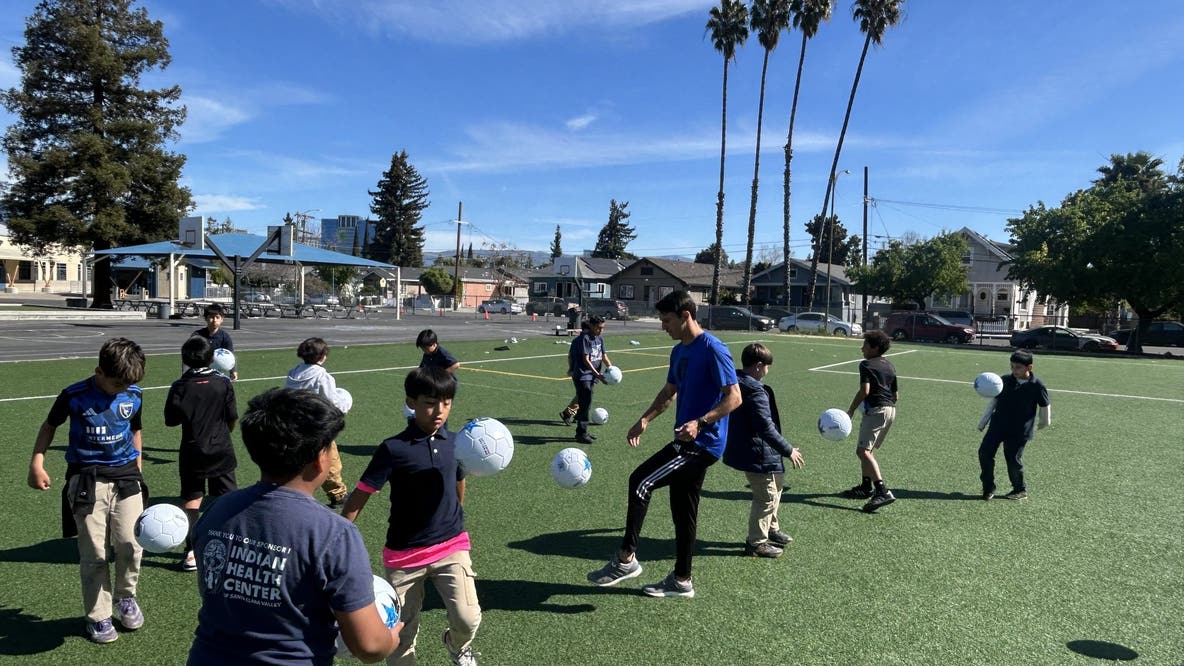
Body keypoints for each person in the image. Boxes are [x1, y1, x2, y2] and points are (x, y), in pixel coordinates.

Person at [188, 388, 400, 665]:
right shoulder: (333, 533)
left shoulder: (218, 510)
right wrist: (391, 637)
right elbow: (370, 646)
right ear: (320, 459)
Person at [587, 290, 740, 598]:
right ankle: (682, 580)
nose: (662, 326)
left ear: (686, 316)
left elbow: (734, 397)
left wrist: (701, 422)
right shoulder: (679, 352)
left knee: (640, 481)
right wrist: (645, 419)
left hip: (702, 444)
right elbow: (670, 392)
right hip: (685, 438)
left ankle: (625, 559)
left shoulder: (713, 349)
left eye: (666, 320)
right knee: (684, 513)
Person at [342, 367, 482, 666]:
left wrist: (456, 514)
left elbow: (459, 480)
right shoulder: (394, 449)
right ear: (411, 402)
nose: (439, 411)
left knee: (468, 618)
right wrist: (340, 531)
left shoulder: (456, 443)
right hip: (404, 557)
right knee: (400, 638)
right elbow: (362, 492)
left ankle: (456, 645)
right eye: (431, 402)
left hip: (451, 546)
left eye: (446, 402)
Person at [27, 337, 148, 644]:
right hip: (87, 479)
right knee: (94, 553)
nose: (122, 389)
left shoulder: (133, 393)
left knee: (131, 544)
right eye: (116, 383)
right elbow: (49, 426)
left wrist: (138, 461)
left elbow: (135, 428)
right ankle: (99, 615)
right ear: (99, 372)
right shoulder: (73, 395)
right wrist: (37, 463)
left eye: (128, 384)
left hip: (126, 477)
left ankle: (125, 597)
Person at [722, 343, 804, 559]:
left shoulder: (736, 382)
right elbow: (765, 427)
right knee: (766, 497)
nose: (768, 370)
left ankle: (771, 528)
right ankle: (756, 543)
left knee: (777, 486)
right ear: (759, 366)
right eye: (767, 366)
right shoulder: (755, 390)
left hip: (756, 449)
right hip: (757, 452)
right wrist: (789, 451)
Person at [165, 336, 239, 572]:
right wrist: (223, 432)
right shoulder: (223, 383)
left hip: (192, 449)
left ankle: (192, 551)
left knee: (192, 500)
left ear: (184, 359)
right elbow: (232, 417)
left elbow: (170, 421)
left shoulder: (179, 386)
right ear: (211, 358)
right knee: (228, 499)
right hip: (221, 448)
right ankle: (230, 547)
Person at [977, 350, 1051, 501]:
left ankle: (1019, 489)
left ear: (1029, 368)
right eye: (1012, 367)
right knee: (984, 453)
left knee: (1012, 459)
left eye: (1018, 367)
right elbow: (994, 402)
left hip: (1019, 431)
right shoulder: (1004, 380)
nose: (1014, 370)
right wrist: (983, 421)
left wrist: (1044, 422)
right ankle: (988, 487)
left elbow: (1045, 406)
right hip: (997, 426)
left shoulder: (1037, 386)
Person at [285, 337, 349, 510]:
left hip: (296, 425)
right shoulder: (322, 376)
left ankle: (292, 491)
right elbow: (332, 401)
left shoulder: (293, 373)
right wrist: (346, 402)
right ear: (322, 356)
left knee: (298, 460)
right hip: (318, 427)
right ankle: (338, 494)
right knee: (330, 460)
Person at [844, 330, 899, 513]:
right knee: (867, 451)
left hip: (877, 410)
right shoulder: (890, 366)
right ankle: (865, 487)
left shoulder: (866, 365)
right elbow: (896, 395)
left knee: (863, 451)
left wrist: (851, 410)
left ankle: (882, 490)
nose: (862, 349)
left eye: (865, 345)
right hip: (890, 410)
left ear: (874, 348)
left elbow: (864, 391)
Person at [559, 315, 613, 444]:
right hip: (583, 375)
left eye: (603, 328)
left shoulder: (599, 339)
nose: (601, 330)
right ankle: (581, 433)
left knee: (585, 400)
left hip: (592, 375)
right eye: (599, 328)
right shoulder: (584, 339)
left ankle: (572, 418)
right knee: (585, 402)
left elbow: (603, 355)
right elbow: (585, 359)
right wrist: (597, 374)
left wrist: (611, 368)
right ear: (592, 326)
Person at [192, 303, 236, 381]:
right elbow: (190, 355)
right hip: (200, 373)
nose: (214, 320)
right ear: (205, 318)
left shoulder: (225, 337)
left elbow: (230, 354)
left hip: (217, 374)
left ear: (222, 319)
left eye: (217, 317)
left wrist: (233, 371)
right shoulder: (197, 335)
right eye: (211, 317)